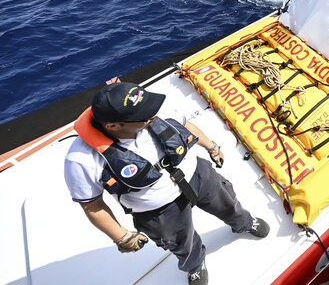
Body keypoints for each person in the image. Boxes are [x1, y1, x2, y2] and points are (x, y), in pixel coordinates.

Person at [64, 82, 270, 285]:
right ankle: (195, 264)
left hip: (198, 175)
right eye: (144, 115)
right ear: (113, 126)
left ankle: (244, 222)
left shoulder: (153, 109)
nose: (153, 114)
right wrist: (121, 236)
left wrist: (212, 147)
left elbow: (186, 125)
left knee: (227, 202)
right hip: (157, 210)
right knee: (180, 242)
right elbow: (91, 204)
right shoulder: (81, 160)